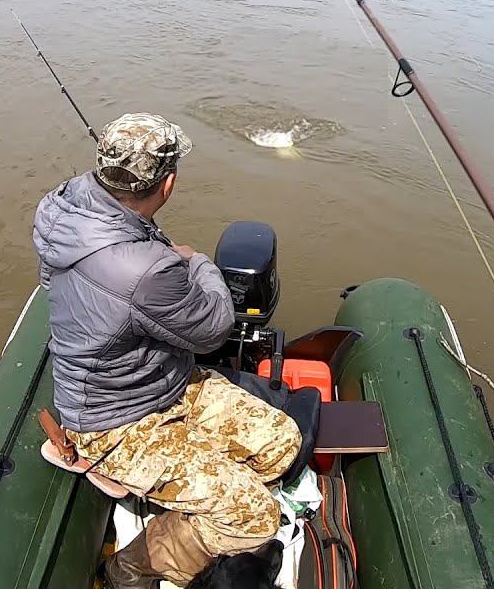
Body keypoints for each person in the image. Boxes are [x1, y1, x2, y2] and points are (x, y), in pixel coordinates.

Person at [32, 113, 302, 588]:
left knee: (281, 442)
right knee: (257, 519)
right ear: (169, 183)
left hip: (163, 383)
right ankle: (128, 567)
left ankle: (198, 498)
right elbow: (214, 330)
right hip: (116, 422)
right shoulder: (149, 271)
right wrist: (197, 262)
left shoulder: (63, 203)